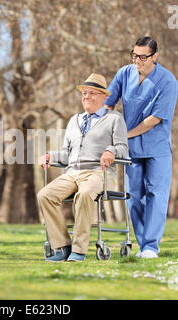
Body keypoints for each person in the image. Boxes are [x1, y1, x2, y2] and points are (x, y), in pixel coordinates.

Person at [37, 73, 128, 262]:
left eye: (92, 93)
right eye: (84, 93)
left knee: (85, 194)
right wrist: (50, 156)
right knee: (45, 195)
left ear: (104, 97)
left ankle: (79, 250)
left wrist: (111, 151)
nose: (86, 97)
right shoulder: (74, 120)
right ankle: (62, 247)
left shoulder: (114, 119)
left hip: (98, 173)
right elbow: (66, 154)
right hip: (72, 173)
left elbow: (123, 148)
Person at [103, 36, 178, 259]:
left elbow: (154, 119)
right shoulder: (124, 73)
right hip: (131, 149)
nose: (137, 61)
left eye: (143, 57)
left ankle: (151, 247)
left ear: (155, 56)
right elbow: (109, 102)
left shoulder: (167, 81)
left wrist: (123, 134)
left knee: (156, 194)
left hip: (157, 149)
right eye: (134, 55)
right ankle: (142, 243)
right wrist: (105, 123)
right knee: (134, 196)